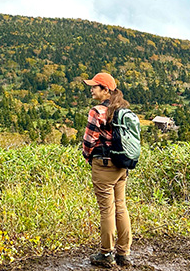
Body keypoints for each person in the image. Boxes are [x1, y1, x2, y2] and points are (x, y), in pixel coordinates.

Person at [82, 72, 133, 268]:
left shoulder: (97, 111)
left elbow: (89, 141)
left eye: (95, 86)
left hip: (103, 164)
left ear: (105, 90)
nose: (91, 89)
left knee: (107, 210)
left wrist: (89, 158)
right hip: (122, 165)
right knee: (121, 207)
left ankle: (106, 253)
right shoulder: (122, 109)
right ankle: (124, 253)